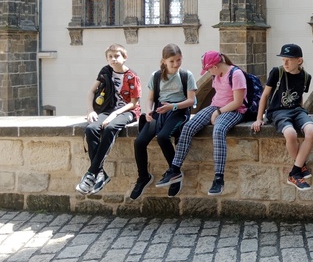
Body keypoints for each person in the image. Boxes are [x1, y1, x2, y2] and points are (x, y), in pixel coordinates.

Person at [155, 51, 247, 196]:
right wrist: (215, 110)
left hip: (233, 110)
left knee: (218, 130)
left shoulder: (236, 74)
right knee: (188, 127)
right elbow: (219, 96)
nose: (209, 72)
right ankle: (174, 169)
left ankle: (218, 178)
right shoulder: (216, 74)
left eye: (209, 69)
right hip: (215, 106)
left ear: (215, 66)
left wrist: (218, 112)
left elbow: (238, 102)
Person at [130, 44, 197, 201]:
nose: (175, 64)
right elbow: (150, 99)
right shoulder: (156, 76)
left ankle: (174, 172)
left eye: (178, 60)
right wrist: (149, 111)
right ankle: (143, 177)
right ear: (164, 61)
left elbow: (191, 101)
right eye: (172, 61)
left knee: (163, 137)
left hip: (178, 110)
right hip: (160, 110)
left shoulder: (186, 75)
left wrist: (173, 107)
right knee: (139, 142)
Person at [251, 44, 313, 191]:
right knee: (290, 133)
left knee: (311, 131)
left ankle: (294, 172)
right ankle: (300, 168)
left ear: (299, 61)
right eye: (283, 60)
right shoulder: (277, 72)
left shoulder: (306, 77)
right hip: (278, 111)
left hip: (297, 110)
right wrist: (259, 118)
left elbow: (299, 96)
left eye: (289, 60)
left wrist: (303, 111)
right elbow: (265, 95)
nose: (285, 63)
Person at [78, 44, 141, 195]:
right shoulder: (105, 72)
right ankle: (100, 173)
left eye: (117, 56)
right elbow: (91, 91)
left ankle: (92, 173)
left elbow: (134, 103)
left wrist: (114, 115)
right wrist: (91, 110)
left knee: (111, 128)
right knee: (91, 129)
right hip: (107, 109)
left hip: (127, 111)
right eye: (110, 57)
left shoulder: (132, 77)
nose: (113, 59)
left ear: (124, 57)